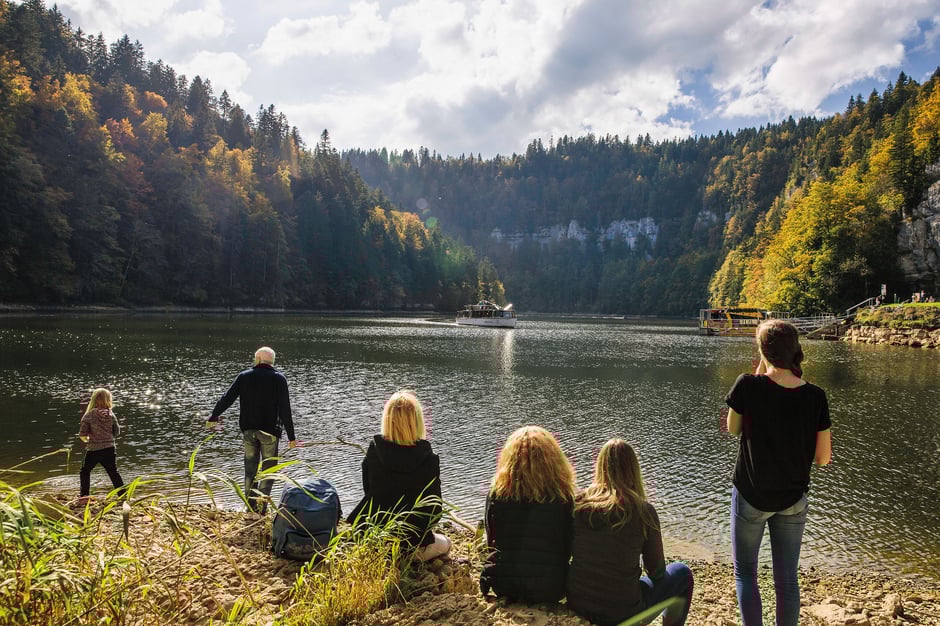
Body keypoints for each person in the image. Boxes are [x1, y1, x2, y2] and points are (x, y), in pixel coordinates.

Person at [725, 319, 832, 626]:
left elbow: (733, 429)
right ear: (795, 350)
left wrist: (760, 373)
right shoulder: (815, 396)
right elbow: (823, 458)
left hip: (750, 496)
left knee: (746, 572)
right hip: (792, 500)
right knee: (786, 580)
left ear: (762, 351)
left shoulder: (747, 384)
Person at [567, 439, 693, 626]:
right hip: (624, 614)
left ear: (600, 468)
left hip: (579, 605)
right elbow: (657, 573)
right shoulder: (643, 511)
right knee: (682, 574)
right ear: (634, 470)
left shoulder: (578, 504)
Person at [346, 390, 451, 561]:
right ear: (418, 422)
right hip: (413, 546)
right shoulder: (428, 460)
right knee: (446, 543)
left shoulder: (374, 453)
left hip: (377, 541)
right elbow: (434, 510)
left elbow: (368, 492)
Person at [480, 425, 576, 604]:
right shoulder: (563, 498)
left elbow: (491, 539)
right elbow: (569, 544)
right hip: (552, 588)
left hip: (503, 584)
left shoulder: (496, 495)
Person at [208, 346, 297, 514]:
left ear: (257, 360)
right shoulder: (279, 379)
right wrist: (291, 437)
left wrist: (214, 416)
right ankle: (262, 508)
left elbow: (227, 398)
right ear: (272, 361)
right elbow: (285, 409)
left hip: (249, 430)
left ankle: (250, 507)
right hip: (270, 433)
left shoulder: (244, 376)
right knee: (268, 471)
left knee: (250, 470)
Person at [78, 387, 126, 501]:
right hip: (109, 448)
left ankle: (84, 496)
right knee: (113, 472)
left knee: (85, 472)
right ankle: (123, 495)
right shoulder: (111, 414)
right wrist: (108, 438)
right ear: (108, 400)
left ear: (93, 399)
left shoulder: (89, 415)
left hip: (93, 450)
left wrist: (87, 439)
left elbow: (82, 433)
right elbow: (117, 431)